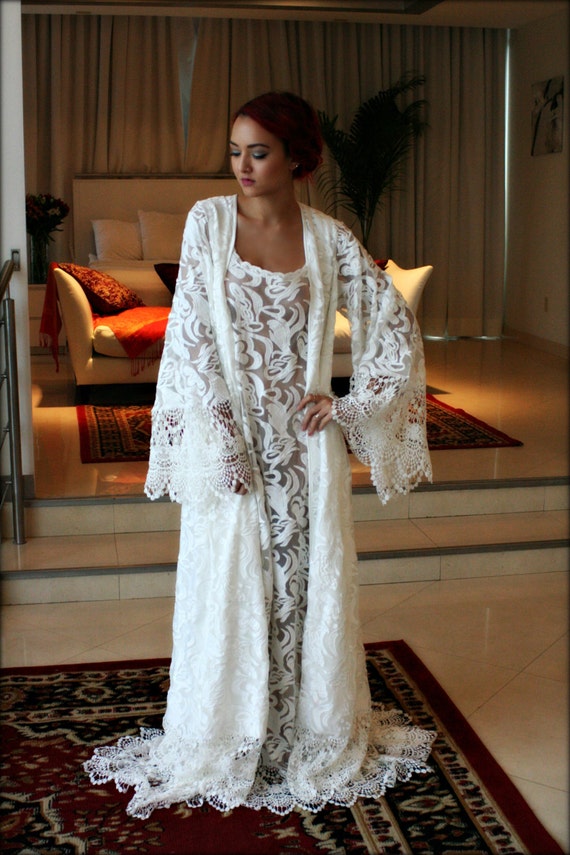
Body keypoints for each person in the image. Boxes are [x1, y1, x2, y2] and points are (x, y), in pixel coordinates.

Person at [84, 91, 434, 819]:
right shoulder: (208, 222)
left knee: (303, 582)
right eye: (235, 150)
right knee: (233, 579)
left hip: (307, 449)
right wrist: (224, 440)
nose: (242, 165)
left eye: (259, 152)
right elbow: (193, 339)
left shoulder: (330, 239)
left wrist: (347, 405)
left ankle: (305, 729)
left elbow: (393, 323)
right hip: (232, 443)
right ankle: (231, 731)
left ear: (298, 159)